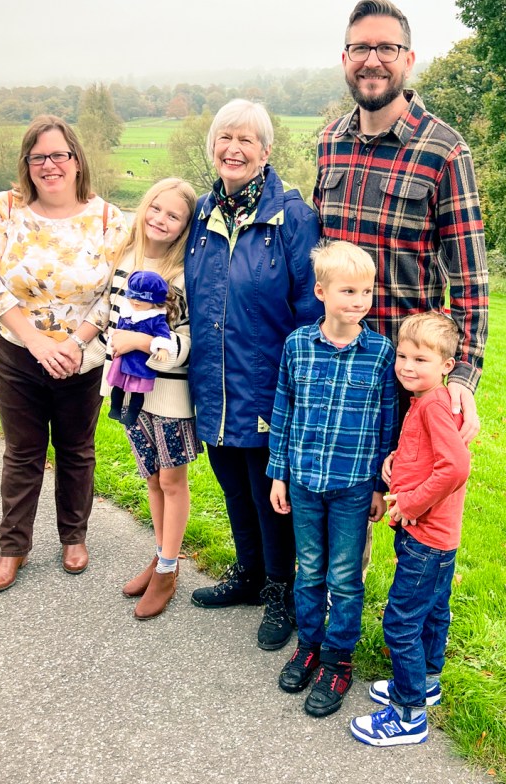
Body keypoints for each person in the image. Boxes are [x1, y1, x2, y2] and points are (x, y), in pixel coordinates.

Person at [314, 0, 488, 442]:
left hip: (403, 377)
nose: (372, 61)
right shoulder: (329, 142)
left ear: (408, 60)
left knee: (406, 489)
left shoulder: (444, 150)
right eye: (360, 48)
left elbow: (470, 278)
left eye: (386, 49)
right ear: (345, 59)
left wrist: (463, 374)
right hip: (332, 371)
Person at [184, 98, 323, 651]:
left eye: (246, 140)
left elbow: (310, 307)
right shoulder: (202, 213)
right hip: (214, 380)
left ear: (265, 151)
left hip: (268, 384)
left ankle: (280, 591)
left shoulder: (292, 218)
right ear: (212, 147)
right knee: (233, 484)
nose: (234, 149)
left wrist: (301, 386)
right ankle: (248, 573)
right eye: (225, 138)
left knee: (271, 495)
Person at [0, 115, 126, 592]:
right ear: (27, 164)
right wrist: (37, 342)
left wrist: (75, 343)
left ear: (77, 160)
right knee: (23, 451)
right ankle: (13, 547)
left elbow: (115, 293)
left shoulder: (109, 219)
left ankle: (73, 537)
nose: (49, 165)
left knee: (77, 449)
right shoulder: (4, 209)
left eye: (59, 154)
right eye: (38, 156)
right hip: (16, 353)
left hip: (82, 357)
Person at [268, 241, 398, 718]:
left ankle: (337, 659)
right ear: (321, 292)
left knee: (344, 577)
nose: (359, 300)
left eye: (366, 291)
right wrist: (278, 474)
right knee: (309, 571)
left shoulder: (380, 353)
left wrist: (381, 487)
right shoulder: (297, 346)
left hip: (354, 487)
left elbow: (387, 424)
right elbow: (283, 411)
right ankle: (309, 645)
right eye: (348, 291)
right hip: (304, 481)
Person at [349, 311, 470, 747]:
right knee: (434, 610)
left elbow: (455, 466)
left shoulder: (434, 405)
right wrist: (397, 460)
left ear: (446, 366)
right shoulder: (426, 400)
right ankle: (426, 681)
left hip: (426, 536)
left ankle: (408, 714)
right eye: (402, 356)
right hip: (438, 538)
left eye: (420, 359)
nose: (406, 366)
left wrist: (411, 504)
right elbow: (426, 452)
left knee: (401, 622)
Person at [101, 177, 200, 620]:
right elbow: (109, 320)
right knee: (152, 479)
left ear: (185, 226)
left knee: (172, 482)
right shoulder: (125, 259)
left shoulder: (183, 278)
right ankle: (162, 555)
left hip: (170, 396)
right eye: (155, 208)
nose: (160, 219)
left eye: (173, 215)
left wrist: (141, 344)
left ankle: (167, 570)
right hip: (130, 392)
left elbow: (187, 346)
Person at [106, 270, 176, 427]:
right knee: (118, 386)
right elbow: (118, 330)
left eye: (142, 298)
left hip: (140, 362)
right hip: (123, 358)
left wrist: (163, 349)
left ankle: (132, 415)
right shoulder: (126, 313)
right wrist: (114, 343)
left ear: (155, 301)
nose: (135, 301)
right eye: (132, 296)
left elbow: (164, 336)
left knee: (137, 391)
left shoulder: (155, 319)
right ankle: (115, 408)